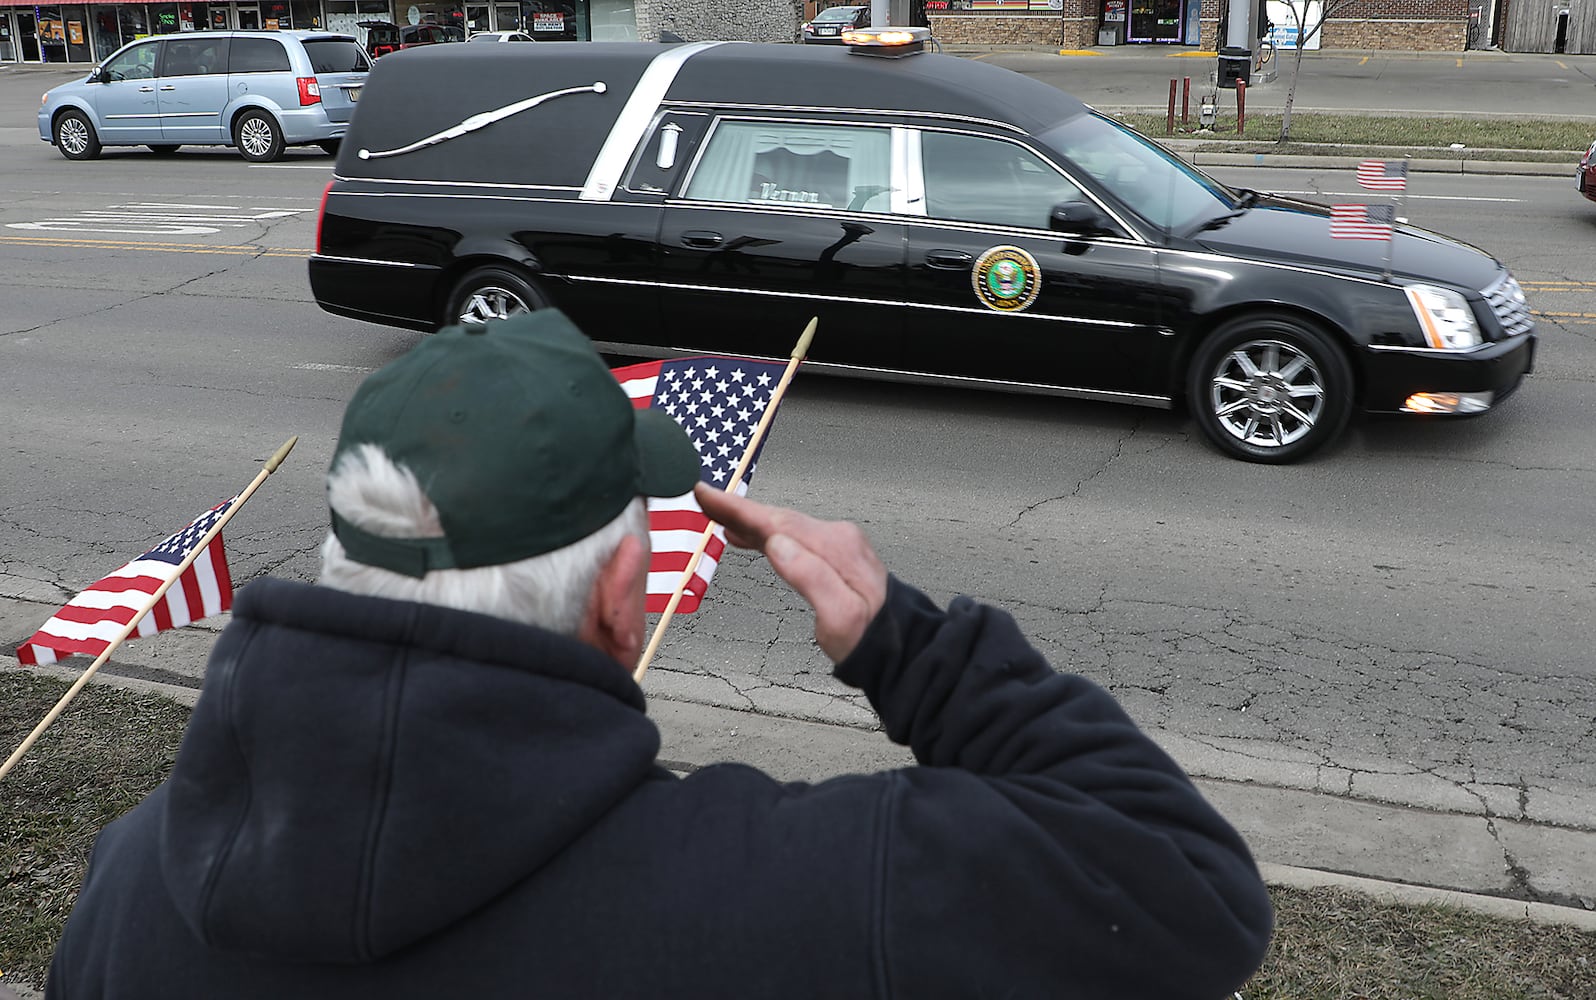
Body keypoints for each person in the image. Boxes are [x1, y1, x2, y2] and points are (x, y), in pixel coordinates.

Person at [48, 311, 1272, 999]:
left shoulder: (129, 884)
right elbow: (1182, 892)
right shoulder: (805, 896)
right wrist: (911, 645)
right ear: (623, 601)